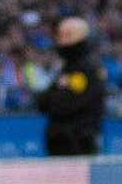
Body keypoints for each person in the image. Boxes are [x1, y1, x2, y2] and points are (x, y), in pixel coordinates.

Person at [36, 17, 105, 156]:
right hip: (60, 144)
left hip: (78, 144)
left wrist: (53, 96)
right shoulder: (65, 70)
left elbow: (64, 105)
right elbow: (42, 102)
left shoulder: (86, 71)